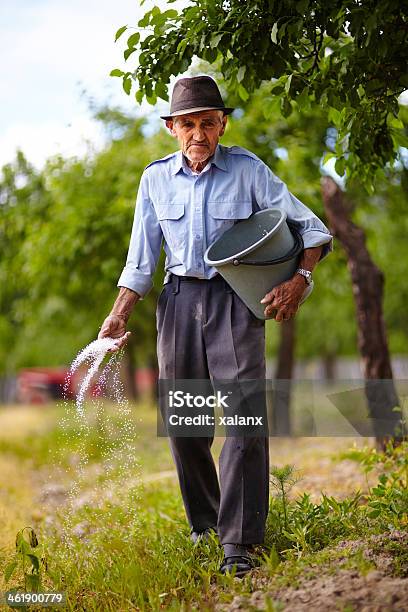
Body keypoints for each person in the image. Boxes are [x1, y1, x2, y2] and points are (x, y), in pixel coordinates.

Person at [98, 75, 333, 576]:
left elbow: (312, 228)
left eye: (208, 123)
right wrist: (119, 312)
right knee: (186, 425)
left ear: (222, 124)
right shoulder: (154, 179)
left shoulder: (249, 171)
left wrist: (300, 281)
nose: (198, 133)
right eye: (188, 124)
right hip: (179, 301)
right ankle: (205, 526)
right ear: (171, 128)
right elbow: (141, 260)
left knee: (245, 420)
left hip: (234, 302)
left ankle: (239, 546)